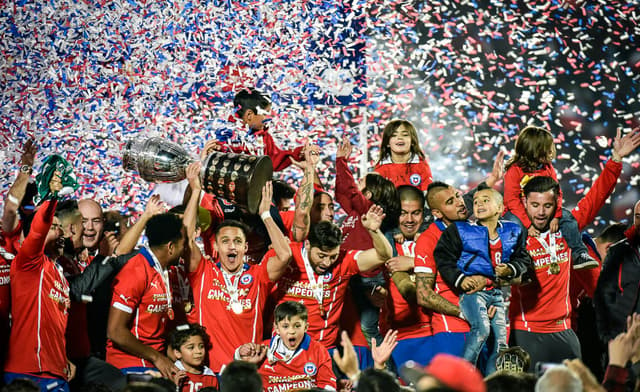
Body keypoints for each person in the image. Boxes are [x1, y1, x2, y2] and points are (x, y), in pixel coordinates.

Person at [183, 162, 293, 373]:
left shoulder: (258, 275)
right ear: (215, 246)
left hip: (247, 371)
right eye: (225, 241)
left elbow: (285, 254)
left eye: (237, 241)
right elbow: (186, 240)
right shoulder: (204, 272)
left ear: (246, 247)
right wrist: (196, 190)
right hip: (209, 371)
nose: (231, 246)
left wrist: (266, 215)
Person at [434, 187, 531, 374]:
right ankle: (463, 373)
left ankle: (492, 380)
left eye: (486, 200)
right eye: (476, 201)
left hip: (496, 295)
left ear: (500, 208)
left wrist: (511, 269)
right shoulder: (461, 230)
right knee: (482, 330)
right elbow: (443, 257)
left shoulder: (514, 231)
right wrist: (460, 279)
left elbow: (523, 259)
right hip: (473, 293)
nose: (479, 204)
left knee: (501, 341)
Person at [269, 206, 392, 352]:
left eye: (332, 256)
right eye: (321, 256)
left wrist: (374, 231)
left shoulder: (344, 261)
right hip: (282, 346)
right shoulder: (288, 256)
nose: (327, 263)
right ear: (307, 244)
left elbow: (384, 255)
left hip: (323, 349)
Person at [3, 172, 75, 391]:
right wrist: (52, 198)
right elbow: (38, 227)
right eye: (54, 227)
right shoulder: (29, 263)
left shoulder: (60, 274)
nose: (60, 232)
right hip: (28, 371)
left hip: (57, 371)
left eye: (61, 227)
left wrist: (62, 358)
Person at [105, 212, 186, 381]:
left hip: (152, 360)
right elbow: (115, 331)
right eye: (183, 244)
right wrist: (157, 357)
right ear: (171, 247)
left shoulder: (162, 269)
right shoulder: (135, 271)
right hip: (131, 363)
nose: (185, 249)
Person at [503, 125, 598, 270]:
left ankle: (580, 254)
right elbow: (511, 201)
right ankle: (520, 264)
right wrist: (528, 224)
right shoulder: (514, 171)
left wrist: (557, 215)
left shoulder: (547, 168)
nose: (550, 152)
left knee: (568, 217)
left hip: (544, 209)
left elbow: (557, 193)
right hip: (520, 212)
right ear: (533, 151)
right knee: (513, 225)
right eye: (546, 149)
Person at [335, 136, 399, 347]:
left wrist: (342, 161)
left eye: (361, 181)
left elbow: (350, 191)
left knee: (368, 329)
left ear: (369, 193)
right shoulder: (354, 213)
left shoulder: (368, 211)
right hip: (350, 277)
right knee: (349, 328)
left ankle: (386, 371)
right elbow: (342, 192)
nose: (355, 183)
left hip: (366, 281)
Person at [380, 185, 434, 367]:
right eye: (403, 213)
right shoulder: (382, 245)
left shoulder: (435, 240)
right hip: (395, 336)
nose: (409, 220)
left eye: (416, 213)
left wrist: (414, 262)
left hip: (432, 332)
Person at [235, 301, 337, 391]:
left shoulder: (318, 350)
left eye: (297, 326)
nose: (291, 331)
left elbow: (328, 386)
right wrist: (242, 358)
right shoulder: (261, 350)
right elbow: (237, 381)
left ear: (306, 327)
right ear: (276, 328)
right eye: (285, 326)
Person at [202, 87, 304, 172]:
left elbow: (273, 160)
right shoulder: (226, 135)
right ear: (250, 115)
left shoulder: (264, 137)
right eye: (265, 114)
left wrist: (298, 153)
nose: (268, 118)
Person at [373, 119, 433, 191]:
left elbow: (427, 193)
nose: (399, 137)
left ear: (412, 142)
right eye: (394, 135)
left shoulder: (421, 165)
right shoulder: (381, 168)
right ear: (387, 143)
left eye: (405, 135)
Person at [168, 324, 219, 392]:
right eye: (191, 347)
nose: (198, 351)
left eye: (201, 346)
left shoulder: (210, 377)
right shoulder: (172, 374)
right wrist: (174, 387)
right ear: (178, 353)